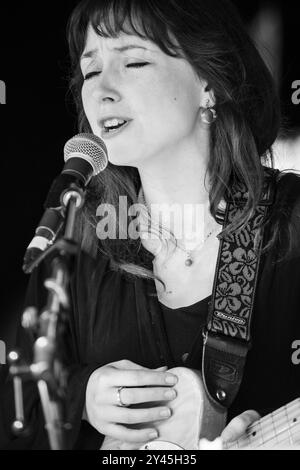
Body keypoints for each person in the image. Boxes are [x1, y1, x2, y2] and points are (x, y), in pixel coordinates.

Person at [1, 0, 300, 450]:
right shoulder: (79, 235)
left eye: (135, 61)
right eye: (91, 70)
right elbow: (14, 406)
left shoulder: (291, 220)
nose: (102, 90)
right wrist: (79, 397)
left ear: (209, 83)